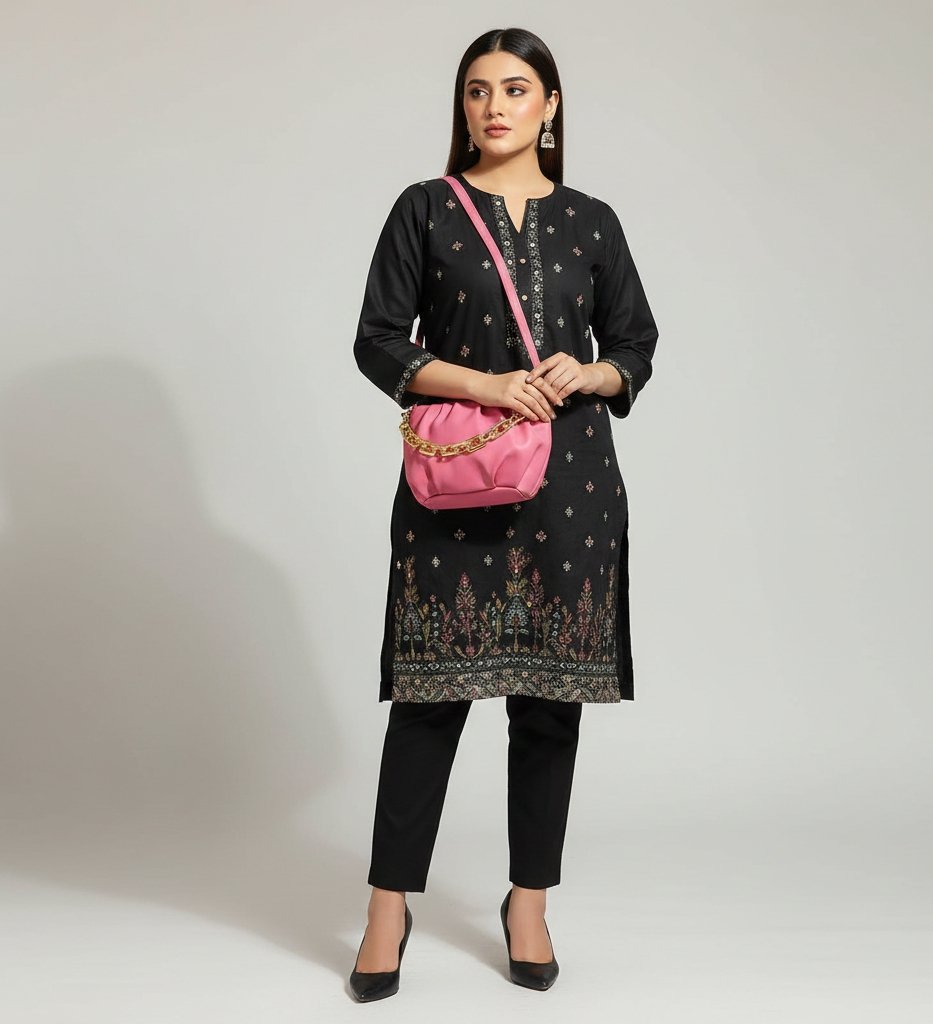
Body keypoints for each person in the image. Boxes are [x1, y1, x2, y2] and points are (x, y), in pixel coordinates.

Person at [348, 26, 659, 1001]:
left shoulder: (592, 222)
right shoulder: (425, 210)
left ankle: (529, 901)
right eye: (478, 90)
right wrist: (486, 383)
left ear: (549, 105)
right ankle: (387, 907)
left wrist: (589, 372)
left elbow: (636, 346)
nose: (494, 106)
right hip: (458, 484)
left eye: (516, 89)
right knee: (429, 703)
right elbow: (376, 341)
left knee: (549, 706)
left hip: (571, 485)